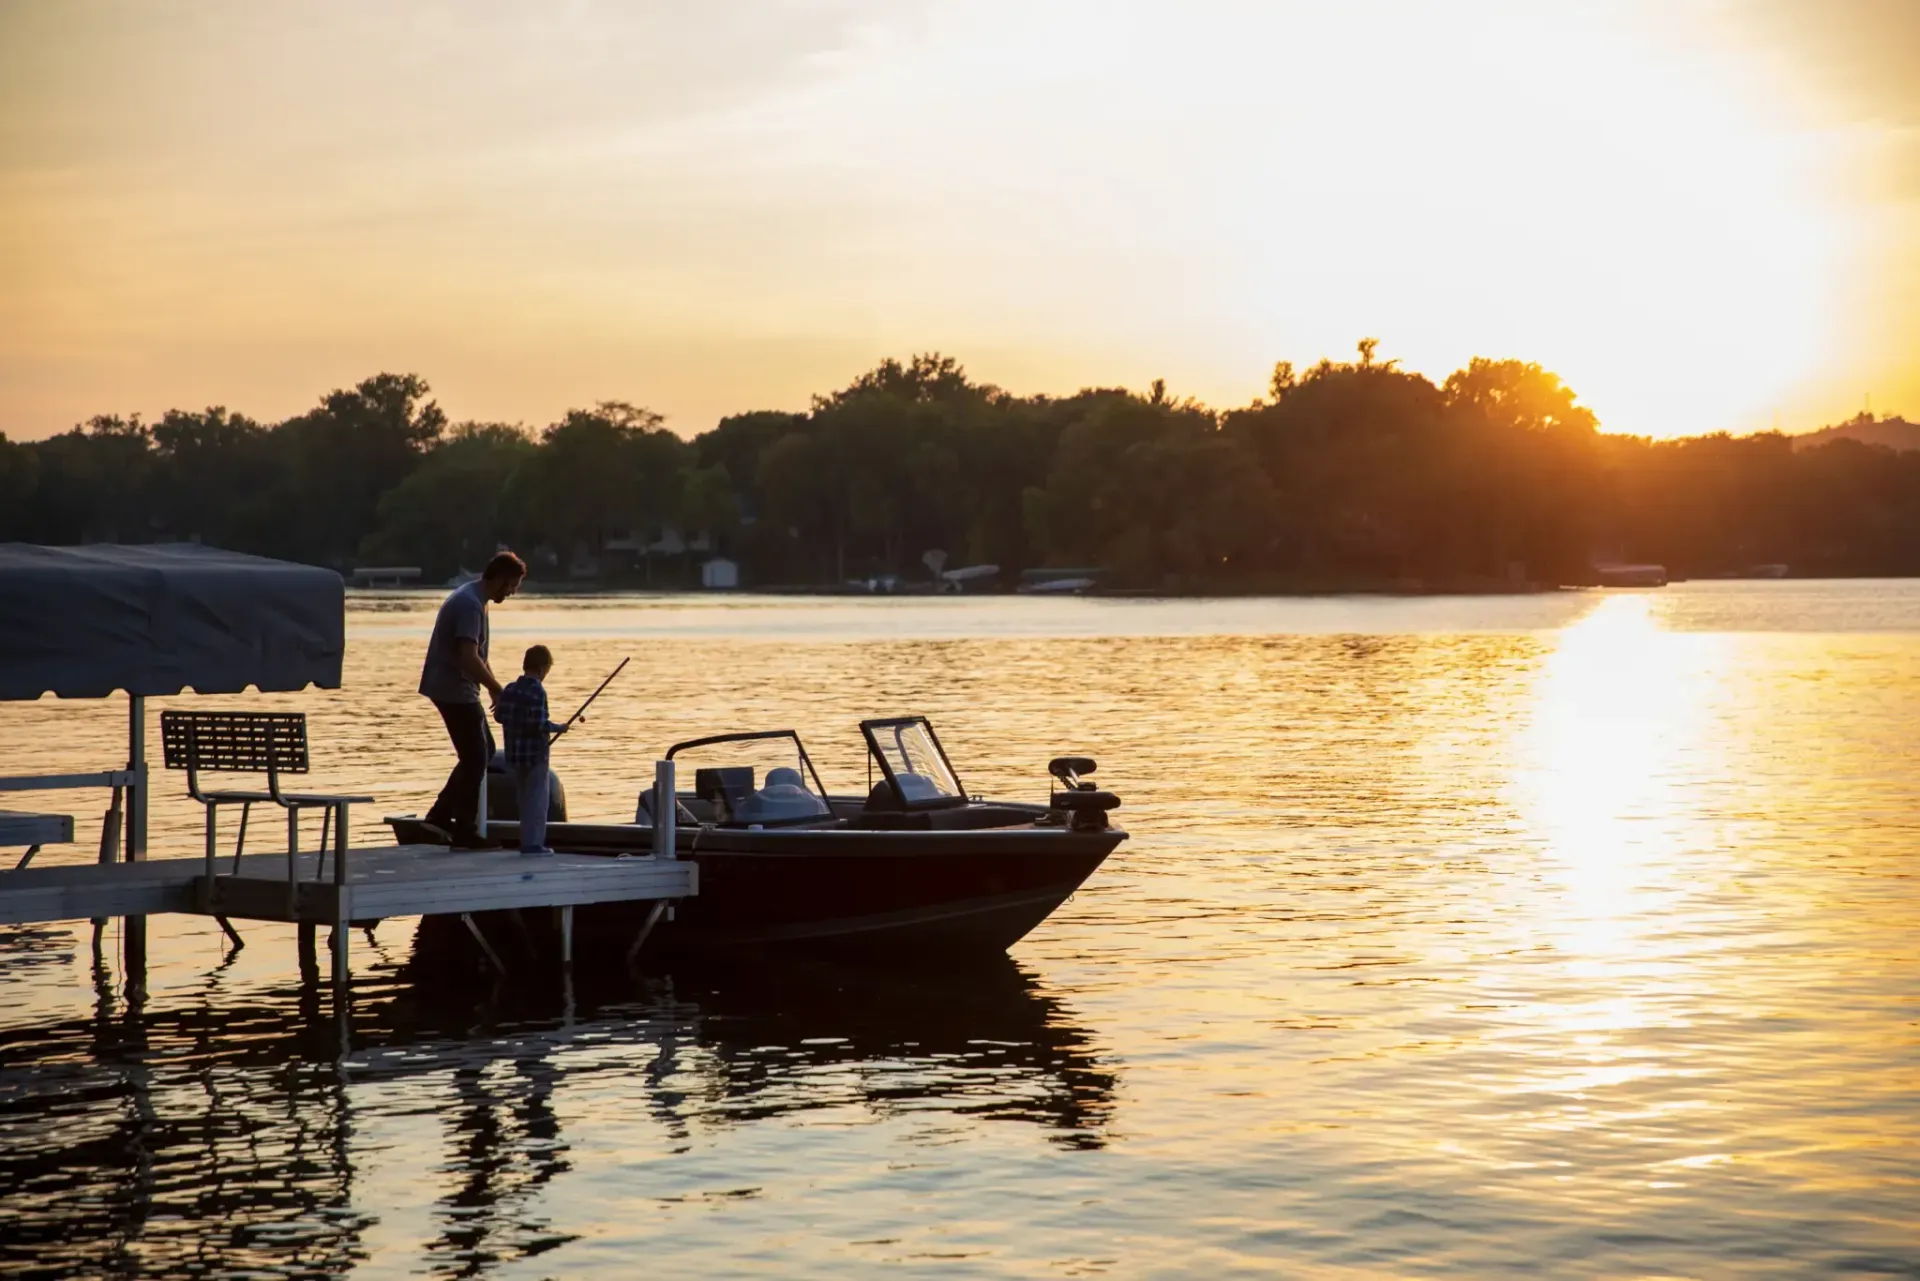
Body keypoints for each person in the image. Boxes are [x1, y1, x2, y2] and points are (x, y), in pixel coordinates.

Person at [419, 551, 526, 847]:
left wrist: (491, 687)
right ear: (501, 579)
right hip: (452, 687)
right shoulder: (469, 605)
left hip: (454, 686)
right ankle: (462, 829)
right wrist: (498, 687)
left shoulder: (475, 599)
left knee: (483, 751)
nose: (513, 592)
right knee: (477, 755)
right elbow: (467, 657)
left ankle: (440, 815)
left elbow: (477, 654)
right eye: (512, 585)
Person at [494, 644, 571, 856]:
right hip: (535, 757)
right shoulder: (538, 690)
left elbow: (499, 716)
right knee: (537, 804)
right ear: (543, 667)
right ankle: (533, 846)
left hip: (514, 757)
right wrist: (559, 728)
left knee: (523, 802)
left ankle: (526, 842)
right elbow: (539, 724)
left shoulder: (509, 689)